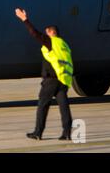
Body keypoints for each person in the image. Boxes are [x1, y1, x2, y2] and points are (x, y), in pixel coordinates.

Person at [15, 8, 73, 141]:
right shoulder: (64, 44)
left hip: (51, 81)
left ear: (52, 32)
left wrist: (24, 19)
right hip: (63, 79)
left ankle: (38, 132)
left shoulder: (51, 41)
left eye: (47, 32)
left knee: (42, 106)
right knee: (64, 107)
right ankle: (67, 132)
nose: (45, 35)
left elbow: (34, 33)